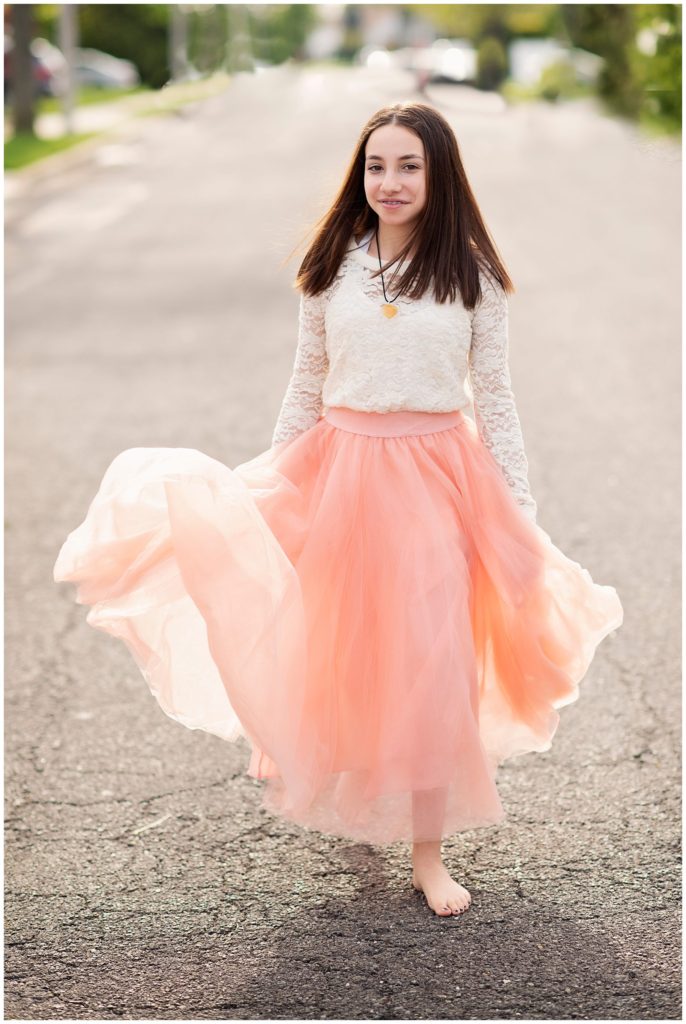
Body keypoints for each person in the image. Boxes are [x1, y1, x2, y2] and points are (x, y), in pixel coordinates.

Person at [53, 101, 624, 918]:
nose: (389, 182)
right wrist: (273, 490)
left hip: (438, 482)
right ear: (360, 177)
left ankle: (429, 853)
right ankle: (361, 794)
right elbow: (305, 386)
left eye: (409, 166)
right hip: (341, 471)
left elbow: (496, 400)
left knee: (432, 664)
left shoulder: (474, 278)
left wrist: (517, 513)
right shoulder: (333, 270)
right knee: (346, 653)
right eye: (376, 166)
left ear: (440, 175)